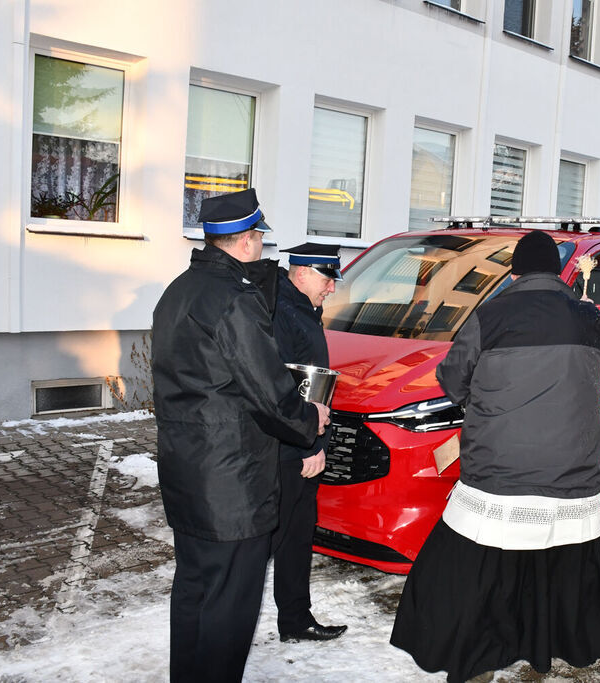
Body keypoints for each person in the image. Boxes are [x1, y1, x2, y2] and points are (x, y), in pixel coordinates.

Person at [390, 229, 600, 682]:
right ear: (557, 273)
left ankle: (476, 652)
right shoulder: (586, 317)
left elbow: (453, 378)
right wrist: (585, 308)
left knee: (477, 569)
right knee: (552, 564)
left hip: (499, 475)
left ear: (514, 272)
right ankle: (552, 642)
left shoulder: (490, 315)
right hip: (569, 478)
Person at [152, 188, 330, 683]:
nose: (262, 248)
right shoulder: (234, 299)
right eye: (258, 238)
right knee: (229, 605)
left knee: (194, 590)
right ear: (246, 240)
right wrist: (310, 419)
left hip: (188, 471)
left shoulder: (179, 290)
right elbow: (268, 391)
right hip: (232, 482)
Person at [270, 242, 348, 642]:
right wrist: (308, 448)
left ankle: (296, 620)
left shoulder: (302, 309)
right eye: (327, 278)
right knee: (282, 539)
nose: (332, 288)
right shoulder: (284, 314)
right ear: (301, 273)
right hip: (293, 447)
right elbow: (284, 391)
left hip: (302, 439)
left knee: (297, 539)